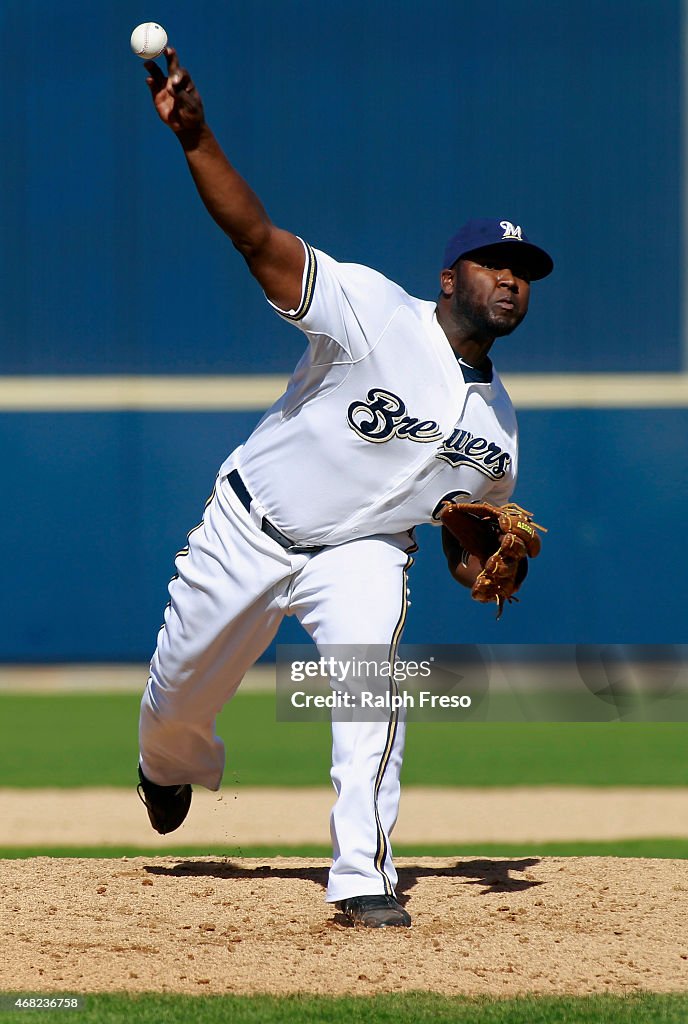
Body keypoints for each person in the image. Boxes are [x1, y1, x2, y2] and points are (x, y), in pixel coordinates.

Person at [136, 47, 554, 928]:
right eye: (491, 262)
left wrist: (480, 571)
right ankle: (168, 764)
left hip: (363, 556)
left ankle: (361, 874)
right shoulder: (370, 310)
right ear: (450, 279)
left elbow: (457, 530)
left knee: (373, 688)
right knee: (177, 702)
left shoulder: (500, 432)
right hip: (253, 526)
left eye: (523, 271)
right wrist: (197, 136)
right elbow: (257, 239)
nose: (511, 277)